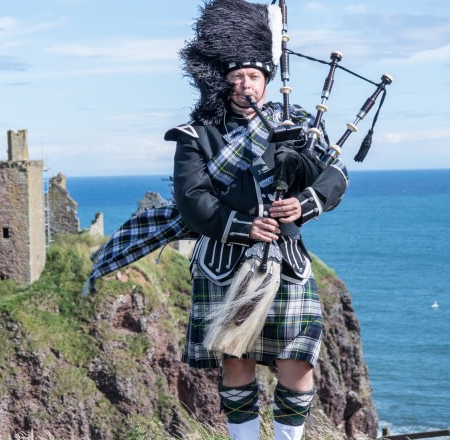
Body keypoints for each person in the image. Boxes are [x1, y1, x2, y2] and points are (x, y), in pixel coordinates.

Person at [166, 0, 349, 439]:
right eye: (236, 77)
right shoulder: (198, 135)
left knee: (298, 359)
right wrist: (243, 225)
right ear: (221, 81)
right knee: (237, 358)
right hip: (224, 259)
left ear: (266, 78)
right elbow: (191, 199)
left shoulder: (298, 123)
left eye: (254, 76)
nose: (246, 85)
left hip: (285, 257)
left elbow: (336, 176)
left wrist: (304, 203)